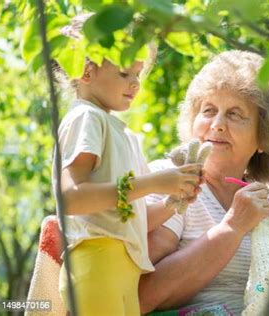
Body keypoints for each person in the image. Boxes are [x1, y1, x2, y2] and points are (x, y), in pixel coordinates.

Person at [139, 50, 269, 315]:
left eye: (235, 114)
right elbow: (142, 297)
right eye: (208, 110)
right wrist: (233, 227)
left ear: (263, 138)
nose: (217, 124)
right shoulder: (168, 180)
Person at [53, 15, 202, 316]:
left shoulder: (121, 132)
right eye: (124, 73)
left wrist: (175, 199)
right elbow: (70, 198)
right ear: (86, 71)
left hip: (122, 266)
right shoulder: (87, 118)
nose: (135, 83)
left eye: (138, 74)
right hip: (97, 261)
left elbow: (135, 217)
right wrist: (156, 183)